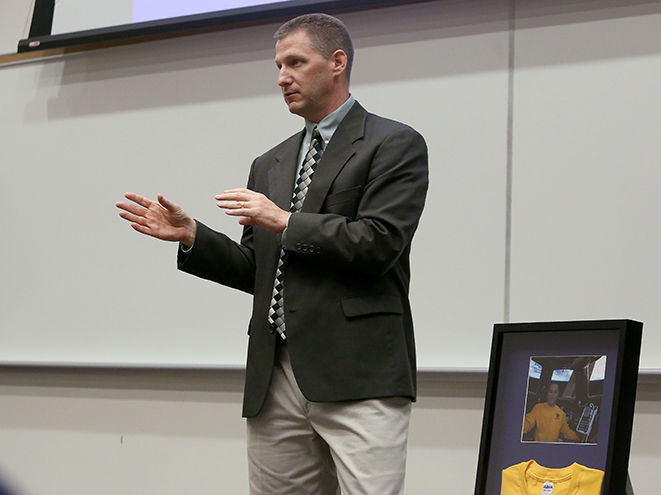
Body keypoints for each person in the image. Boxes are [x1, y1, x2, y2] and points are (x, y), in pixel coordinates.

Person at [116, 13, 428, 495]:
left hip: (359, 370)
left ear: (338, 62)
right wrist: (193, 235)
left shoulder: (393, 143)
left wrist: (284, 219)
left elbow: (379, 243)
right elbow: (258, 271)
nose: (283, 77)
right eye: (278, 65)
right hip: (274, 371)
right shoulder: (271, 162)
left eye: (296, 62)